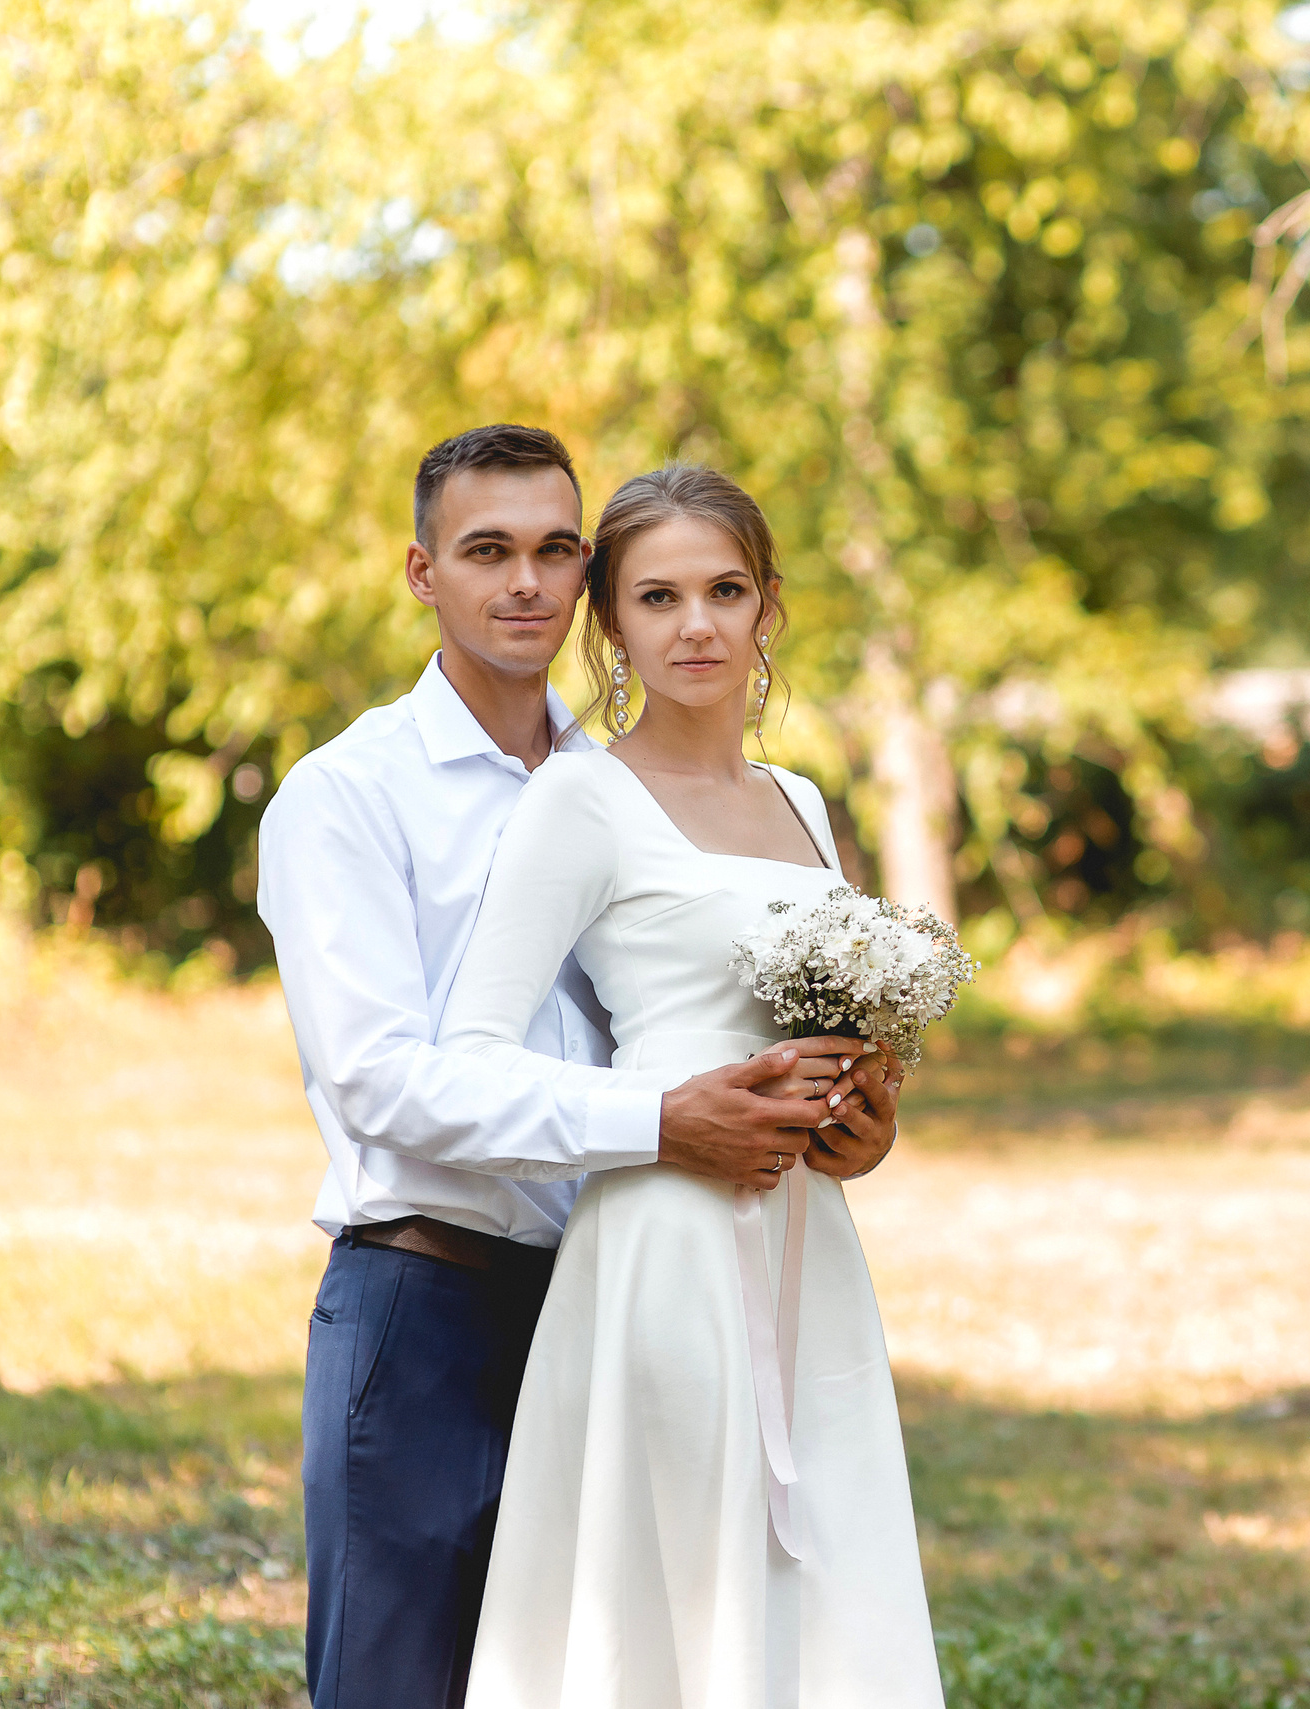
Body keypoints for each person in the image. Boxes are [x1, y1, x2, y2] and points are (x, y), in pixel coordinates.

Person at [256, 425, 905, 1709]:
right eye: (486, 550)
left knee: (635, 1666)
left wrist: (847, 1119)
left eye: (557, 550)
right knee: (403, 1682)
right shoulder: (345, 795)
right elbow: (382, 1080)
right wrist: (657, 1121)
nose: (526, 583)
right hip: (431, 1290)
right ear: (421, 569)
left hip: (630, 1278)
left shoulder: (630, 777)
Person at [439, 464, 941, 1708]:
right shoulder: (581, 800)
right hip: (663, 1239)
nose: (697, 624)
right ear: (612, 622)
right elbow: (470, 1059)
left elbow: (824, 1023)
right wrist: (657, 1118)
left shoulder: (804, 801)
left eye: (725, 589)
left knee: (824, 1578)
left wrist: (863, 1123)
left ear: (769, 605)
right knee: (678, 1581)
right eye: (657, 597)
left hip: (805, 1242)